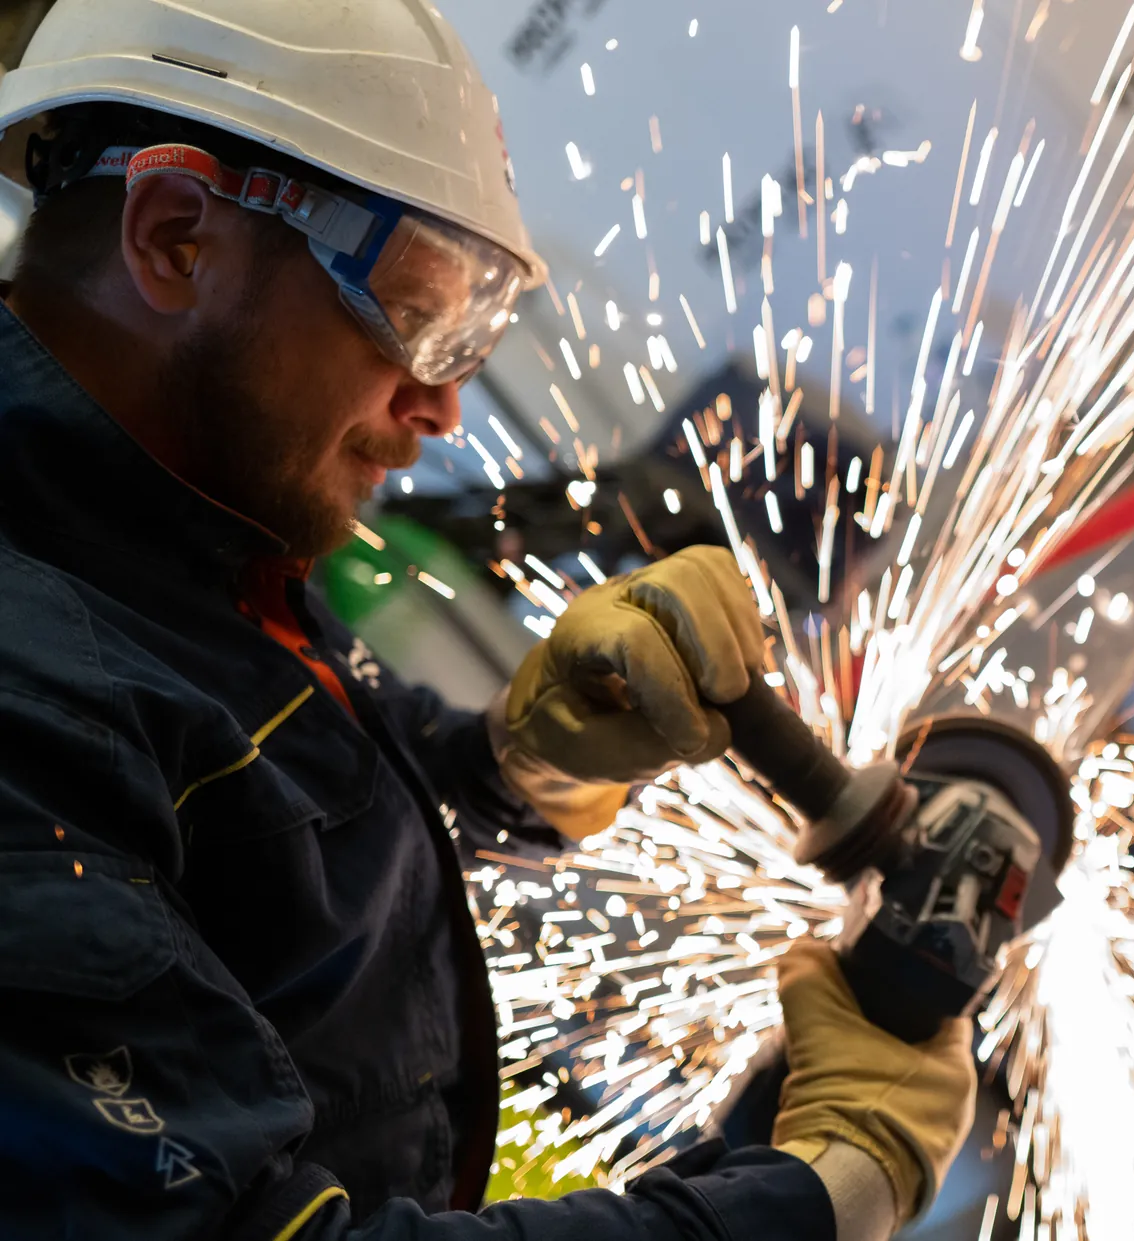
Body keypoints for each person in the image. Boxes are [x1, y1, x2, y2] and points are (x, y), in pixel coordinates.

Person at [0, 2, 974, 1238]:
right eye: (418, 317)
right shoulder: (26, 704)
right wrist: (828, 1197)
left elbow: (287, 832)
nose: (445, 406)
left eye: (474, 332)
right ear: (178, 238)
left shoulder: (176, 516)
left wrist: (529, 759)